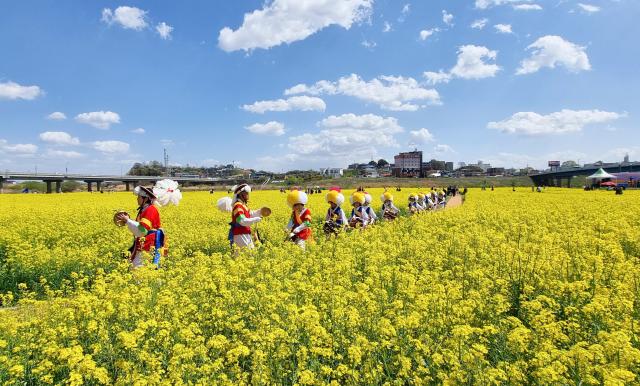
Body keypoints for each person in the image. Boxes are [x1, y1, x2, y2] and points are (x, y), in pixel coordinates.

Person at [117, 180, 181, 268]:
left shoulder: (150, 210)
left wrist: (128, 221)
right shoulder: (145, 209)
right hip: (145, 244)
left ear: (145, 198)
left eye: (139, 197)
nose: (137, 199)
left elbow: (142, 230)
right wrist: (127, 221)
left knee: (141, 268)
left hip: (148, 246)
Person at [217, 184, 263, 253]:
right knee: (248, 254)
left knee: (248, 255)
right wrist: (256, 219)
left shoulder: (243, 205)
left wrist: (260, 211)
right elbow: (242, 221)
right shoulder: (238, 206)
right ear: (241, 194)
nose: (248, 195)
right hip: (240, 234)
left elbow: (250, 214)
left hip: (245, 233)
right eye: (246, 193)